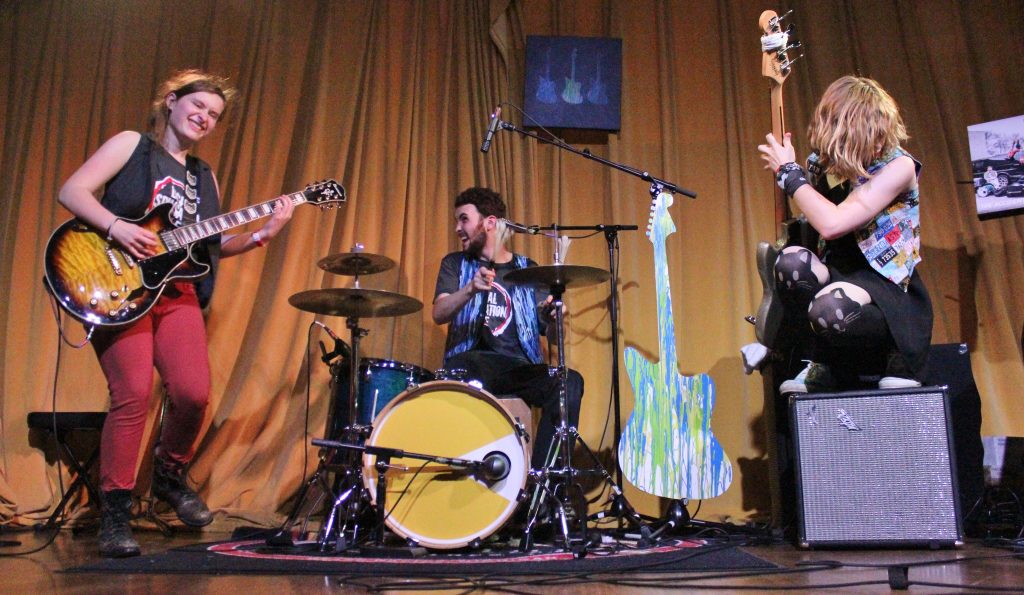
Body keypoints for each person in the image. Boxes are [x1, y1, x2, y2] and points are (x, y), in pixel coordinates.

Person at [57, 69, 295, 557]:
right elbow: (72, 192)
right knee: (133, 394)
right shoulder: (131, 146)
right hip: (117, 284)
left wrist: (262, 235)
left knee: (193, 392)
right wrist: (117, 227)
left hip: (176, 291)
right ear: (171, 101)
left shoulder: (203, 176)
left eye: (214, 115)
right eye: (198, 106)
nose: (205, 117)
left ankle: (169, 473)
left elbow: (208, 246)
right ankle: (116, 514)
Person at [756, 75, 932, 394]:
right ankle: (820, 363)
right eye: (871, 132)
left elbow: (833, 222)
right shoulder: (822, 166)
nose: (879, 142)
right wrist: (796, 175)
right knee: (791, 265)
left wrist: (790, 175)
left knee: (829, 308)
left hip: (885, 285)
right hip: (838, 269)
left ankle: (896, 355)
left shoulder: (898, 167)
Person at [432, 187, 583, 468]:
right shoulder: (455, 264)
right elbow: (439, 313)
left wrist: (554, 320)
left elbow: (552, 337)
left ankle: (542, 481)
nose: (457, 228)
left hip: (517, 368)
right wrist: (469, 289)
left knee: (569, 381)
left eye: (464, 219)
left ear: (490, 222)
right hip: (471, 363)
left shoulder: (528, 269)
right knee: (467, 367)